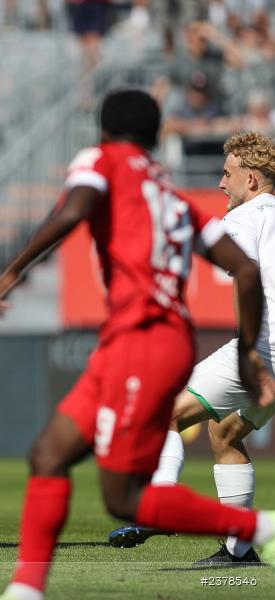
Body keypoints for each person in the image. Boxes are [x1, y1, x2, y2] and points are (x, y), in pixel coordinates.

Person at [0, 90, 275, 600]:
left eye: (228, 174)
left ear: (104, 130)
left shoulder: (103, 160)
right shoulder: (170, 193)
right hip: (154, 340)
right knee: (50, 453)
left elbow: (74, 207)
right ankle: (24, 592)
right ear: (158, 136)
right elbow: (246, 271)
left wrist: (14, 266)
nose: (221, 182)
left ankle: (257, 529)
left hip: (146, 339)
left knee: (128, 492)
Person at [107, 131, 275, 565]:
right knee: (226, 432)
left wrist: (250, 352)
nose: (222, 184)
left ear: (251, 181)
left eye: (228, 174)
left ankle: (158, 503)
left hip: (264, 347)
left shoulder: (243, 218)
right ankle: (239, 552)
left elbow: (247, 276)